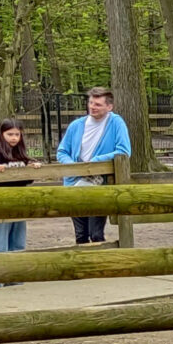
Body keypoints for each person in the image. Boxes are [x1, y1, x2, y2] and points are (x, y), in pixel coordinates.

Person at [53, 87, 133, 244]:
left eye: (97, 104)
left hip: (99, 183)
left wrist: (96, 161)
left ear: (109, 107)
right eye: (91, 103)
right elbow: (62, 151)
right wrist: (73, 166)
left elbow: (123, 151)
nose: (92, 107)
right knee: (81, 234)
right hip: (74, 182)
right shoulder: (76, 125)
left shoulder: (116, 123)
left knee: (96, 233)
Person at [0, 120, 43, 287]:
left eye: (17, 134)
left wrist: (32, 168)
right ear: (1, 134)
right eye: (10, 134)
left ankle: (15, 282)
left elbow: (26, 180)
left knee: (17, 244)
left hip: (19, 206)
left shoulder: (22, 155)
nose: (14, 138)